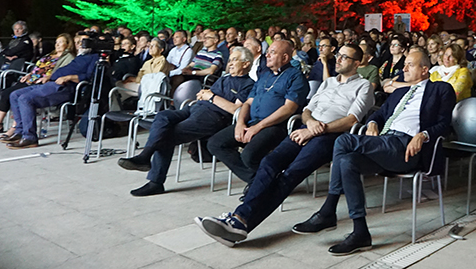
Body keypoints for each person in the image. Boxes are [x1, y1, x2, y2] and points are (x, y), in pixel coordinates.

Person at [194, 43, 373, 247]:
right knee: (269, 162)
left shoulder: (363, 86)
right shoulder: (328, 82)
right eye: (338, 55)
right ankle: (238, 221)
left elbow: (352, 120)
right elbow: (307, 110)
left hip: (330, 137)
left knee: (289, 176)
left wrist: (317, 129)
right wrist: (309, 122)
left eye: (345, 57)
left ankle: (240, 220)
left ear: (357, 63)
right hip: (306, 129)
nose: (338, 59)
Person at [290, 51, 455, 255]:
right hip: (385, 143)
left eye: (410, 65)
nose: (403, 69)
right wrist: (373, 123)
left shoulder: (441, 89)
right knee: (347, 162)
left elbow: (445, 124)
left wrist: (423, 135)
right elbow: (378, 113)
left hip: (406, 148)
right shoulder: (399, 93)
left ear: (424, 70)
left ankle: (328, 211)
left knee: (344, 140)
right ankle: (360, 232)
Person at [116, 47, 256, 196]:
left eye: (235, 60)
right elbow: (206, 95)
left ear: (246, 64)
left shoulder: (248, 84)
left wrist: (212, 97)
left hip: (213, 118)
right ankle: (145, 156)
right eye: (230, 60)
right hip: (194, 108)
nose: (230, 63)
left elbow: (236, 110)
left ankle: (154, 178)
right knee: (163, 116)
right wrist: (205, 96)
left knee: (166, 135)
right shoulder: (224, 78)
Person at [206, 41, 309, 192]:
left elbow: (289, 108)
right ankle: (260, 181)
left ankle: (261, 184)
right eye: (268, 51)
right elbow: (247, 103)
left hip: (276, 126)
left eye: (272, 52)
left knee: (249, 155)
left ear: (285, 57)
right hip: (252, 122)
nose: (267, 55)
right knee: (215, 143)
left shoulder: (296, 76)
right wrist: (240, 123)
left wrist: (258, 127)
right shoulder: (264, 75)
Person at [3, 33, 99, 149]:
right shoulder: (80, 56)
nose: (79, 45)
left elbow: (90, 77)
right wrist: (49, 76)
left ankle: (30, 137)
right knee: (14, 94)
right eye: (78, 42)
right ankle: (20, 131)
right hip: (50, 83)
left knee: (25, 99)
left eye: (82, 42)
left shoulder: (94, 57)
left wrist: (68, 77)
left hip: (63, 88)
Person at [0, 33, 75, 136]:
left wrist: (47, 77)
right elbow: (37, 68)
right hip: (31, 79)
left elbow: (62, 72)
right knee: (7, 93)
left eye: (61, 42)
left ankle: (15, 127)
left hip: (41, 82)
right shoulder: (49, 55)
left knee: (19, 96)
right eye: (56, 42)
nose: (57, 45)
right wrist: (29, 74)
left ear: (68, 44)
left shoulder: (67, 57)